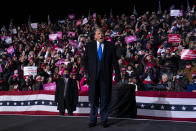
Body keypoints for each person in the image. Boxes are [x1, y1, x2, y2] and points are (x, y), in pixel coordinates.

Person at [83, 27, 120, 128]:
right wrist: (86, 73)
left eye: (102, 33)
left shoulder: (110, 46)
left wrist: (117, 74)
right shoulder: (89, 46)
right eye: (99, 33)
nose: (101, 35)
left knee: (105, 99)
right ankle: (93, 120)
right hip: (93, 78)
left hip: (106, 78)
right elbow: (84, 61)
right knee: (93, 99)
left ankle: (104, 120)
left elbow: (115, 62)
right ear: (95, 36)